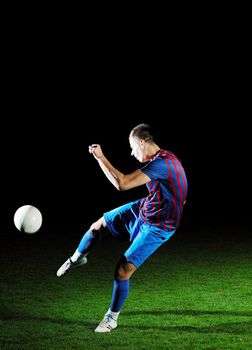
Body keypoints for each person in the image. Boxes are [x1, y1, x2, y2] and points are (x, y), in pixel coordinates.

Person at [56, 123, 188, 333]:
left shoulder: (162, 164)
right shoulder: (161, 158)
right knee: (98, 226)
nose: (132, 152)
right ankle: (76, 259)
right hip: (146, 208)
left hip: (159, 226)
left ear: (142, 143)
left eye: (132, 146)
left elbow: (122, 184)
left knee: (122, 270)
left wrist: (101, 157)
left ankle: (111, 318)